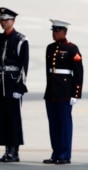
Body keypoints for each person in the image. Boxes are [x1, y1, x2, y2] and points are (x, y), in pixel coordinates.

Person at [43, 19, 84, 164]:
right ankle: (56, 153)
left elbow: (78, 72)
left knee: (64, 124)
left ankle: (64, 155)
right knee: (53, 124)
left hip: (65, 92)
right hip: (52, 92)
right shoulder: (49, 48)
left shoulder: (72, 48)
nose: (54, 33)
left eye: (57, 31)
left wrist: (76, 94)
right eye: (53, 31)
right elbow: (49, 71)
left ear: (64, 32)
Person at [0, 7, 29, 162]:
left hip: (13, 83)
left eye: (6, 20)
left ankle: (14, 150)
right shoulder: (0, 39)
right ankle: (7, 150)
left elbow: (24, 66)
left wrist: (20, 87)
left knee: (14, 118)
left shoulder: (20, 40)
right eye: (2, 20)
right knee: (3, 118)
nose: (3, 23)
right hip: (1, 83)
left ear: (13, 21)